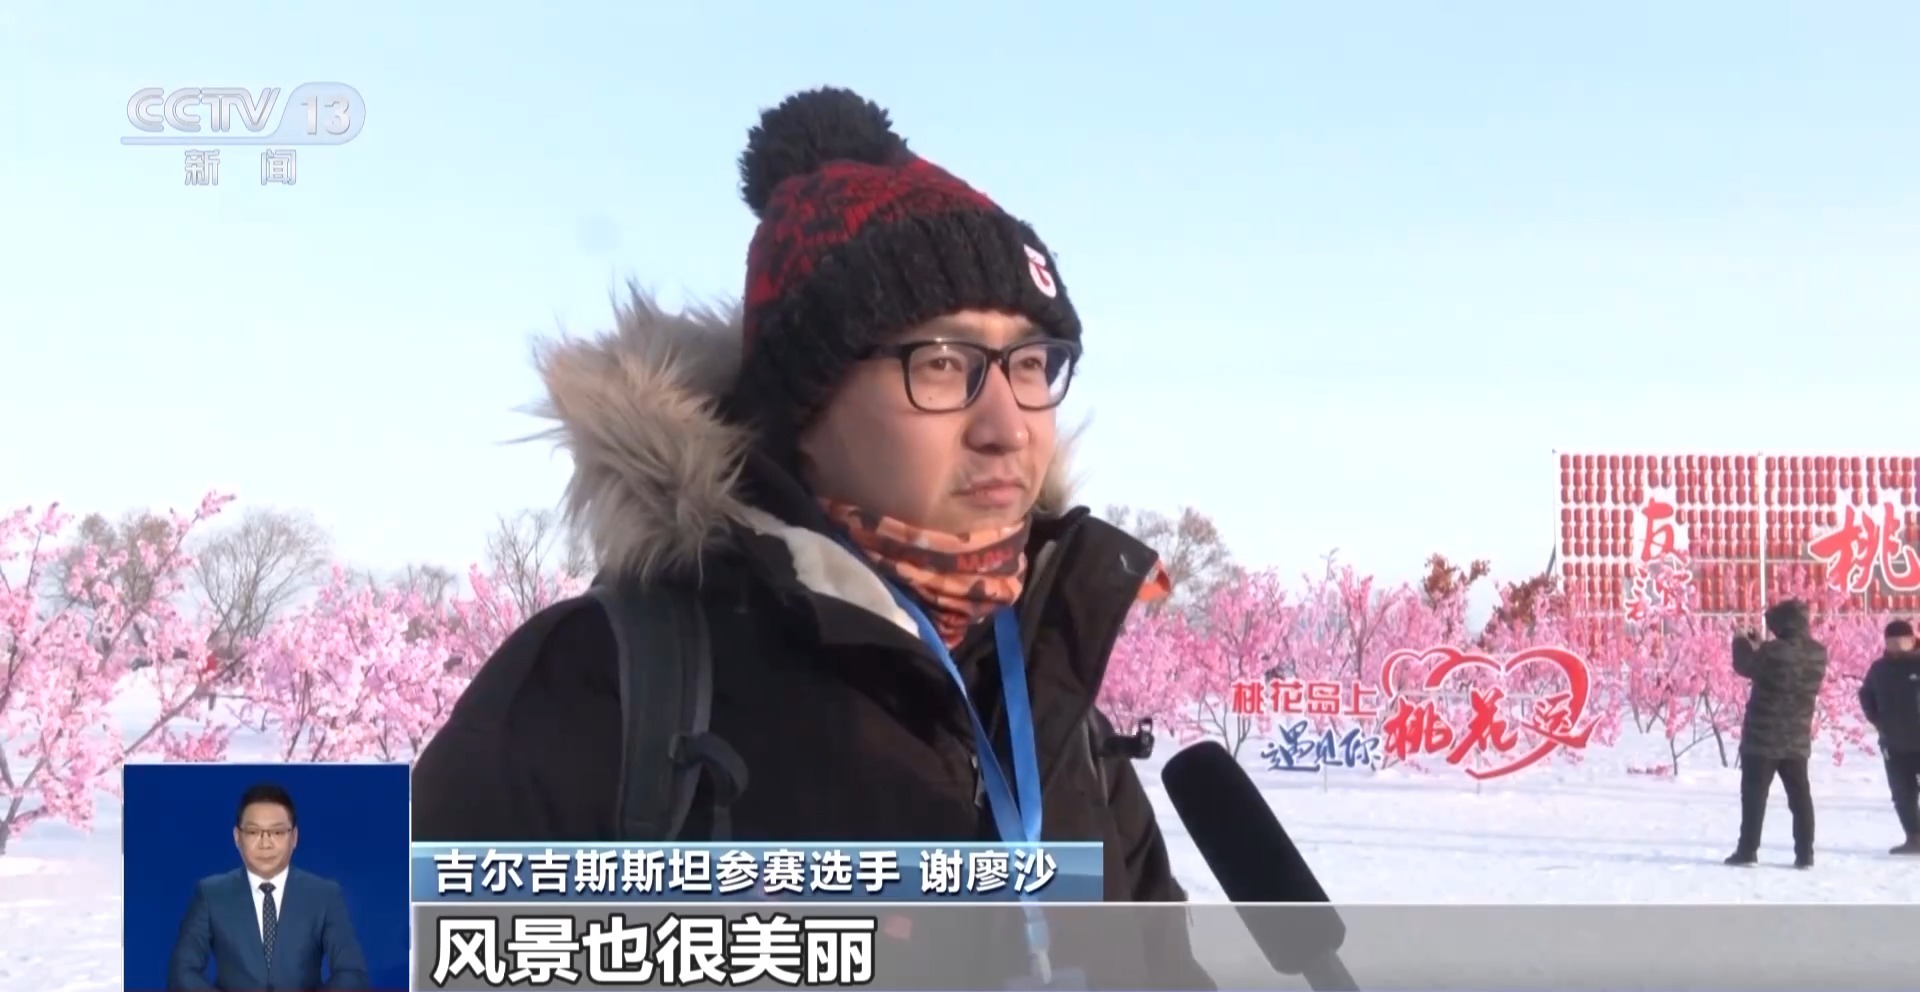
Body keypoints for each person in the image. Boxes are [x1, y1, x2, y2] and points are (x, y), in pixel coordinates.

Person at [410, 86, 1211, 989]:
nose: (1008, 425)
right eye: (942, 362)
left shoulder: (1057, 713)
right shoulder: (594, 698)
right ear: (807, 404)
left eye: (1030, 363)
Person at [167, 783, 369, 991]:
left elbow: (352, 974)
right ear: (237, 837)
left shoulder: (324, 895)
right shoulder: (211, 893)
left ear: (294, 837)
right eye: (253, 832)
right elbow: (182, 972)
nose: (265, 844)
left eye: (277, 832)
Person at [1725, 598, 1829, 869]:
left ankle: (1747, 851)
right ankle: (1805, 854)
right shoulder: (1818, 652)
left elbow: (1745, 665)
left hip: (1763, 738)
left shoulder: (1772, 652)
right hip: (1796, 738)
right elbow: (1780, 663)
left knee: (1754, 797)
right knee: (1800, 798)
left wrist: (1740, 641)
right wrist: (1762, 646)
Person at [1859, 619, 1920, 855]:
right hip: (1894, 743)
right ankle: (1914, 837)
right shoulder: (1879, 669)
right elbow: (1866, 695)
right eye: (1890, 641)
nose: (1895, 645)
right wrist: (1877, 721)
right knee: (1902, 794)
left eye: (1900, 640)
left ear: (1912, 640)